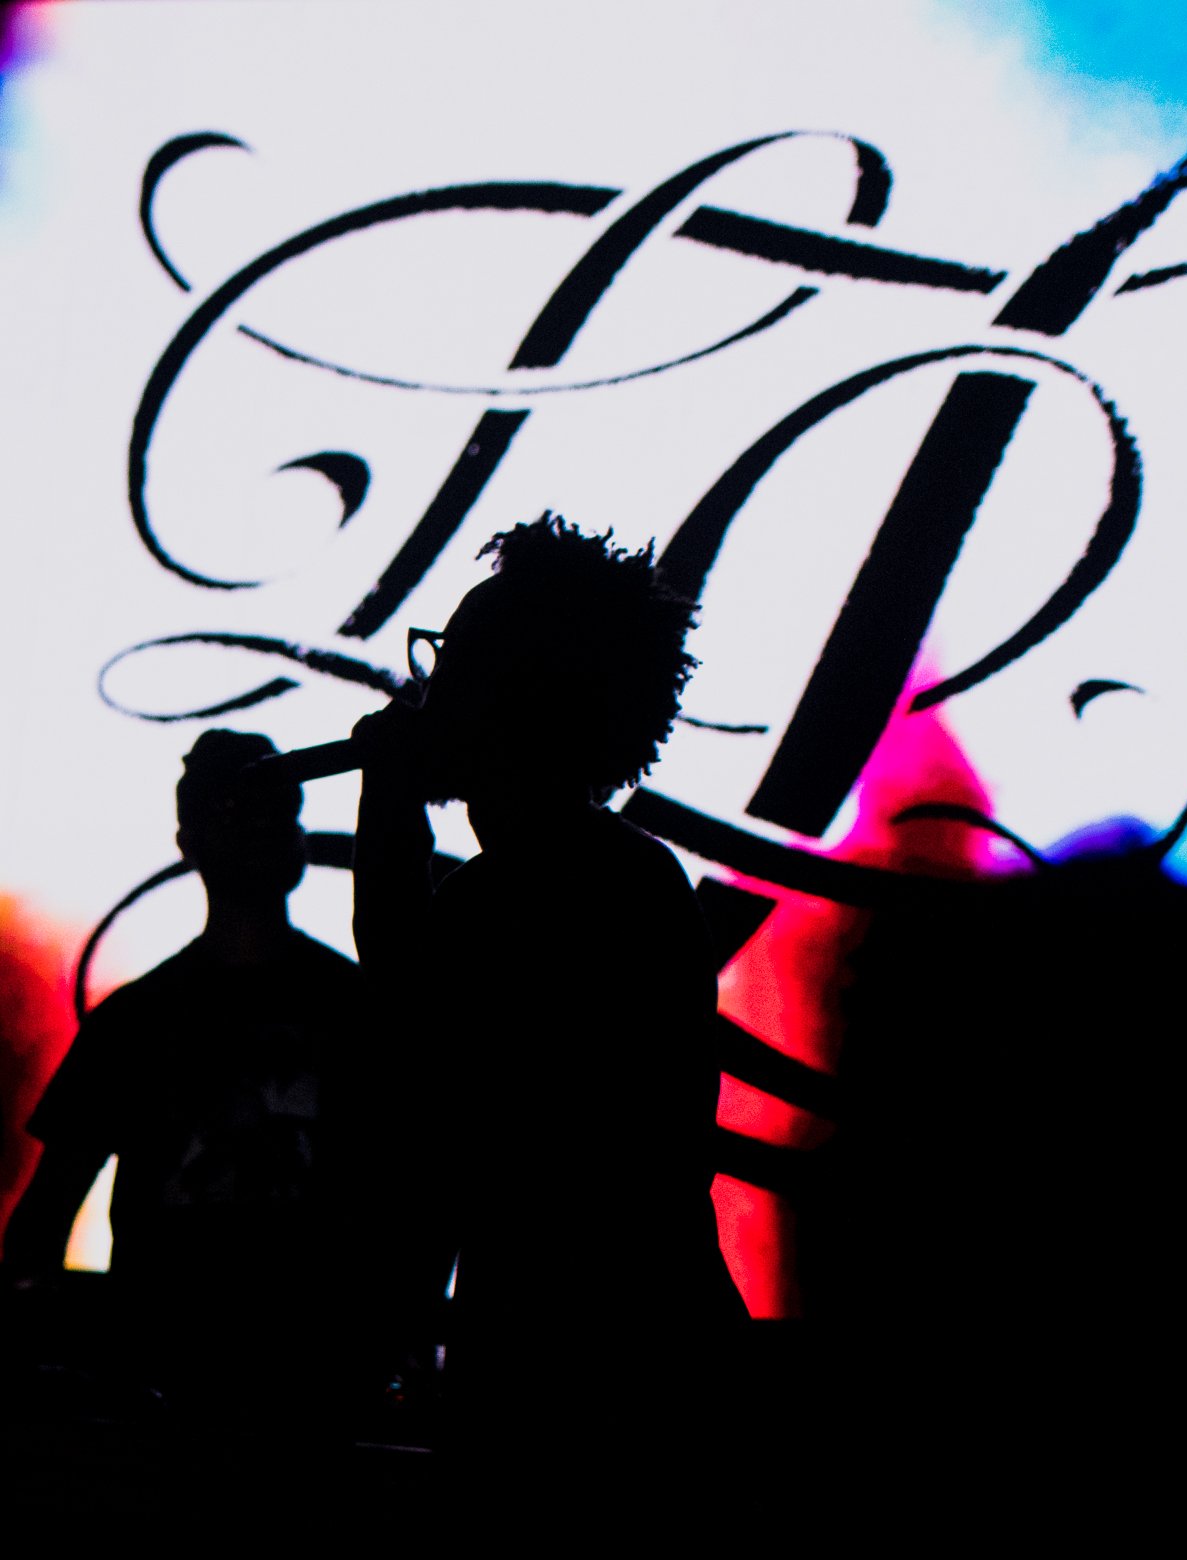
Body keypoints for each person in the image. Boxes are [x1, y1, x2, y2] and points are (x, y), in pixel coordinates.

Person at [352, 512, 745, 1350]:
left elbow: (412, 1021)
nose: (424, 693)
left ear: (514, 697)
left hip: (602, 1366)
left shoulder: (580, 886)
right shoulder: (581, 876)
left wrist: (387, 798)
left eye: (449, 664)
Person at [5, 729, 376, 1434]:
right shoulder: (353, 1006)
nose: (266, 830)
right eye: (242, 811)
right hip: (269, 1390)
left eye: (276, 810)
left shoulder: (138, 1016)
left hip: (203, 1389)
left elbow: (42, 1221)